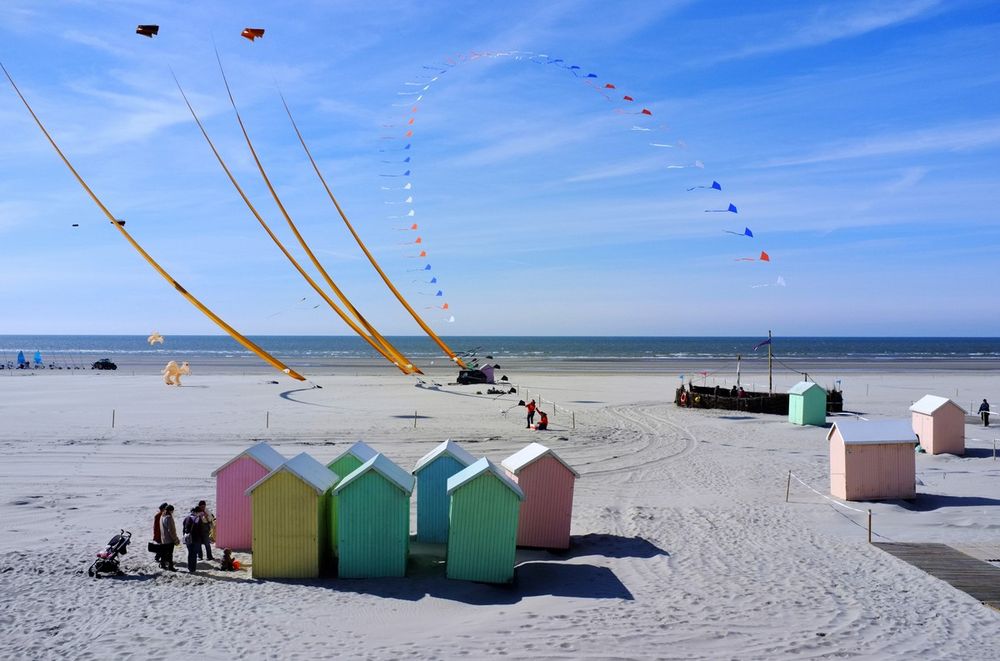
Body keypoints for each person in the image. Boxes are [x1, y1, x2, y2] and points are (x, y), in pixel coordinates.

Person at [159, 504, 179, 571]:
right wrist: (175, 539)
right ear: (170, 511)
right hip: (169, 539)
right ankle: (171, 566)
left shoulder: (162, 517)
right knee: (170, 554)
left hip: (163, 539)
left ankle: (162, 564)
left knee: (164, 553)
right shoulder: (169, 518)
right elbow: (171, 530)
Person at [182, 507, 201, 573]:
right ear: (196, 512)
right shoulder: (198, 519)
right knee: (194, 554)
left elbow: (183, 529)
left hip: (188, 538)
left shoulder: (186, 518)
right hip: (196, 539)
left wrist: (184, 536)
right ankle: (193, 568)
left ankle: (190, 568)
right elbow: (200, 530)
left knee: (190, 553)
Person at [152, 502, 167, 568]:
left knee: (162, 547)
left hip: (161, 534)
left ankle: (158, 557)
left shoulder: (162, 515)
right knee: (163, 548)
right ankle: (160, 559)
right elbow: (157, 527)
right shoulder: (160, 515)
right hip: (161, 535)